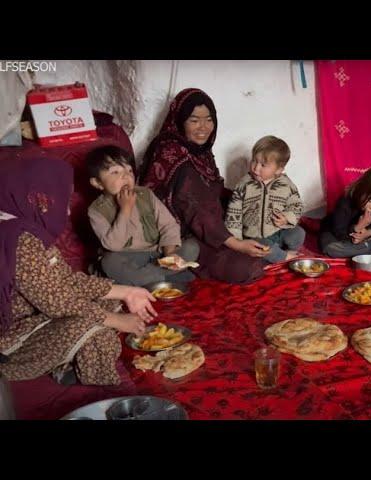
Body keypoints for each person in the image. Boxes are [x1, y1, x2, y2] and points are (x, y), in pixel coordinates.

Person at [0, 156, 157, 386]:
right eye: (61, 200)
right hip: (12, 341)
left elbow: (65, 281)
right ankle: (100, 389)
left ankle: (68, 363)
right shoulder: (19, 240)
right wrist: (116, 321)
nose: (67, 211)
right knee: (97, 326)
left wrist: (126, 292)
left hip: (39, 317)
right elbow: (57, 302)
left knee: (110, 303)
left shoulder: (25, 226)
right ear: (37, 198)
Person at [141, 88, 267, 284]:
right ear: (180, 121)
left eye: (209, 119)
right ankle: (173, 268)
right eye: (194, 120)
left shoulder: (198, 151)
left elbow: (210, 193)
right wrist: (237, 244)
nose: (204, 127)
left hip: (205, 225)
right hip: (177, 234)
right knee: (248, 266)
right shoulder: (174, 155)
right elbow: (197, 210)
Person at [87, 146, 199, 286]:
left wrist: (170, 253)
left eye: (129, 170)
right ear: (97, 183)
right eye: (115, 172)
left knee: (192, 247)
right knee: (109, 262)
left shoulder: (145, 194)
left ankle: (145, 279)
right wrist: (125, 209)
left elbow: (168, 225)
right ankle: (164, 277)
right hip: (129, 259)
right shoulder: (96, 210)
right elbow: (113, 245)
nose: (125, 176)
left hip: (158, 254)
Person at [225, 135, 305, 263]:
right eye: (254, 161)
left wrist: (287, 218)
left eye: (263, 165)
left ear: (279, 169)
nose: (256, 168)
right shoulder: (244, 185)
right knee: (261, 245)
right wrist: (238, 242)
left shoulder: (286, 184)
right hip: (254, 236)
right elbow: (233, 215)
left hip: (278, 232)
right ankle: (284, 258)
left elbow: (297, 205)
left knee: (299, 233)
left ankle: (289, 252)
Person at [319, 166, 371, 258]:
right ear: (362, 191)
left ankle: (359, 250)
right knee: (331, 248)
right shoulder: (345, 202)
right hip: (340, 234)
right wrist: (358, 227)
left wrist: (367, 233)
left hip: (365, 237)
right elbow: (339, 232)